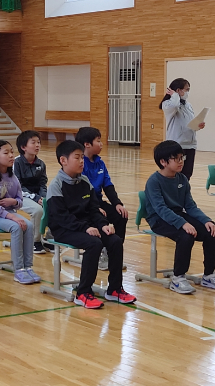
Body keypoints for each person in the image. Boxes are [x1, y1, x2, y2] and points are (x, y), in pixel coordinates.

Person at [46, 140, 136, 309]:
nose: (82, 161)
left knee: (115, 241)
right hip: (64, 229)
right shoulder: (56, 185)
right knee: (94, 244)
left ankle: (115, 289)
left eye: (82, 157)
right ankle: (83, 292)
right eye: (77, 157)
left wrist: (103, 225)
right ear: (63, 160)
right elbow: (61, 217)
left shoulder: (85, 181)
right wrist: (85, 228)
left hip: (86, 226)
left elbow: (94, 209)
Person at [145, 140, 215, 294]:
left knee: (211, 233)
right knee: (186, 236)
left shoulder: (182, 179)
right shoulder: (154, 181)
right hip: (159, 219)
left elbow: (190, 206)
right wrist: (182, 223)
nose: (181, 162)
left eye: (182, 158)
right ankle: (178, 278)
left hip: (178, 215)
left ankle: (209, 275)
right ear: (163, 162)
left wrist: (206, 220)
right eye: (176, 158)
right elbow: (161, 209)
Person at [0, 140, 39, 285]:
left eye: (12, 152)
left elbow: (20, 200)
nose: (11, 155)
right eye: (6, 153)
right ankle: (19, 269)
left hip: (7, 212)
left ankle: (28, 266)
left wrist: (13, 202)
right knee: (16, 226)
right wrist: (12, 217)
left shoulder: (12, 177)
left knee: (29, 226)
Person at [75, 127, 128, 270]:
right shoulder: (81, 164)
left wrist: (117, 203)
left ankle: (111, 253)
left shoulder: (100, 163)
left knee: (121, 215)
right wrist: (95, 207)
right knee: (99, 218)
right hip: (85, 203)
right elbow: (81, 190)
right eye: (98, 141)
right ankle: (98, 254)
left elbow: (108, 185)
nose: (101, 144)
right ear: (87, 144)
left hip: (98, 201)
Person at [160, 78, 205, 180]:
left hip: (190, 144)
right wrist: (174, 95)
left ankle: (184, 189)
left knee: (187, 173)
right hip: (178, 143)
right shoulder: (168, 104)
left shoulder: (188, 105)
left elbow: (189, 124)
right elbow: (175, 104)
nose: (188, 92)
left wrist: (198, 126)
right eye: (186, 89)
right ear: (178, 90)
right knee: (176, 172)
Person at [13, 130, 51, 254]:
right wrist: (36, 198)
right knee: (38, 210)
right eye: (33, 142)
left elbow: (42, 184)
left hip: (36, 195)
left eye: (38, 142)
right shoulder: (16, 163)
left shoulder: (41, 164)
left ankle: (50, 238)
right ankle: (34, 241)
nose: (37, 145)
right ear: (23, 147)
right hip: (18, 196)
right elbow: (18, 186)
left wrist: (43, 198)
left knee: (54, 204)